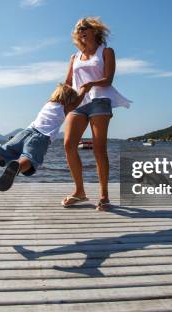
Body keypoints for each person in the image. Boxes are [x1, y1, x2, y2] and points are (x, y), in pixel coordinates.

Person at [0, 83, 88, 192]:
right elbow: (77, 102)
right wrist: (84, 89)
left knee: (4, 151)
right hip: (40, 137)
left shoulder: (48, 104)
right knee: (30, 160)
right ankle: (17, 167)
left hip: (25, 132)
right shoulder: (64, 108)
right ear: (68, 100)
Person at [62, 17, 132, 211]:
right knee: (68, 145)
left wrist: (91, 84)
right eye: (78, 29)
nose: (81, 31)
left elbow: (108, 79)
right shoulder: (74, 57)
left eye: (85, 27)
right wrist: (59, 99)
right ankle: (80, 192)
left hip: (100, 101)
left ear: (95, 30)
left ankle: (104, 196)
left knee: (99, 149)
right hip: (78, 102)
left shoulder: (106, 52)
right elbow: (68, 82)